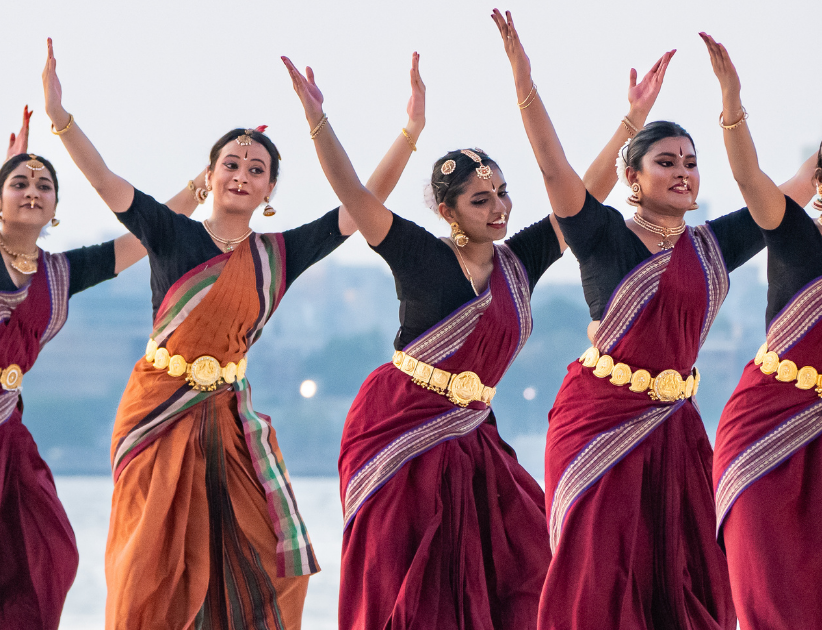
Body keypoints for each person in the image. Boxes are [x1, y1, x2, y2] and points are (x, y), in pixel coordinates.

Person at [285, 43, 670, 629]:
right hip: (398, 430)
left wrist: (633, 121)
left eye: (502, 195)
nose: (498, 209)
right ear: (448, 210)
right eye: (480, 200)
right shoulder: (417, 253)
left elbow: (579, 194)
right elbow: (354, 195)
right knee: (405, 592)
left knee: (526, 568)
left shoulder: (521, 261)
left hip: (472, 435)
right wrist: (318, 119)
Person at [490, 11, 817, 629]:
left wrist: (736, 102)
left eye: (691, 162)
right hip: (597, 426)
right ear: (632, 179)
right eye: (666, 161)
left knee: (689, 585)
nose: (684, 171)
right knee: (597, 583)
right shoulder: (603, 236)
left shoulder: (712, 246)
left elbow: (798, 186)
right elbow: (554, 167)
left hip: (676, 431)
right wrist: (524, 83)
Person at [42, 37, 371, 627]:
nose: (242, 175)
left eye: (257, 170)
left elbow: (362, 207)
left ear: (270, 190)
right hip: (157, 412)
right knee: (148, 564)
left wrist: (339, 123)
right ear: (209, 175)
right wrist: (60, 117)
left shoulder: (278, 255)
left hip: (227, 418)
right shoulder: (171, 233)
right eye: (231, 165)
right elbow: (104, 180)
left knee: (267, 557)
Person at [0, 57, 205, 629]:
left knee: (46, 543)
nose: (32, 190)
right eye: (19, 182)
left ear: (54, 207)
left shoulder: (61, 272)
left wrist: (203, 185)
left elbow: (146, 237)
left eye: (44, 185)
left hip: (1, 420)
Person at [703, 34, 822, 630]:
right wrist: (732, 101)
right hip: (766, 430)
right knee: (768, 596)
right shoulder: (794, 230)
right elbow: (749, 177)